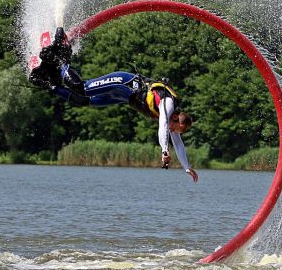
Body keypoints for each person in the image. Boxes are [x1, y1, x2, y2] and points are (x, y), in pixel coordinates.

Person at [29, 28, 199, 183]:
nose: (174, 132)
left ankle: (47, 84)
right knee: (82, 88)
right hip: (124, 83)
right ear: (176, 117)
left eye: (177, 131)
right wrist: (164, 151)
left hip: (123, 98)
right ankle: (60, 57)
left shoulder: (173, 121)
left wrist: (186, 167)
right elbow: (162, 125)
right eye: (176, 128)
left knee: (84, 101)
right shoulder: (168, 104)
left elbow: (178, 144)